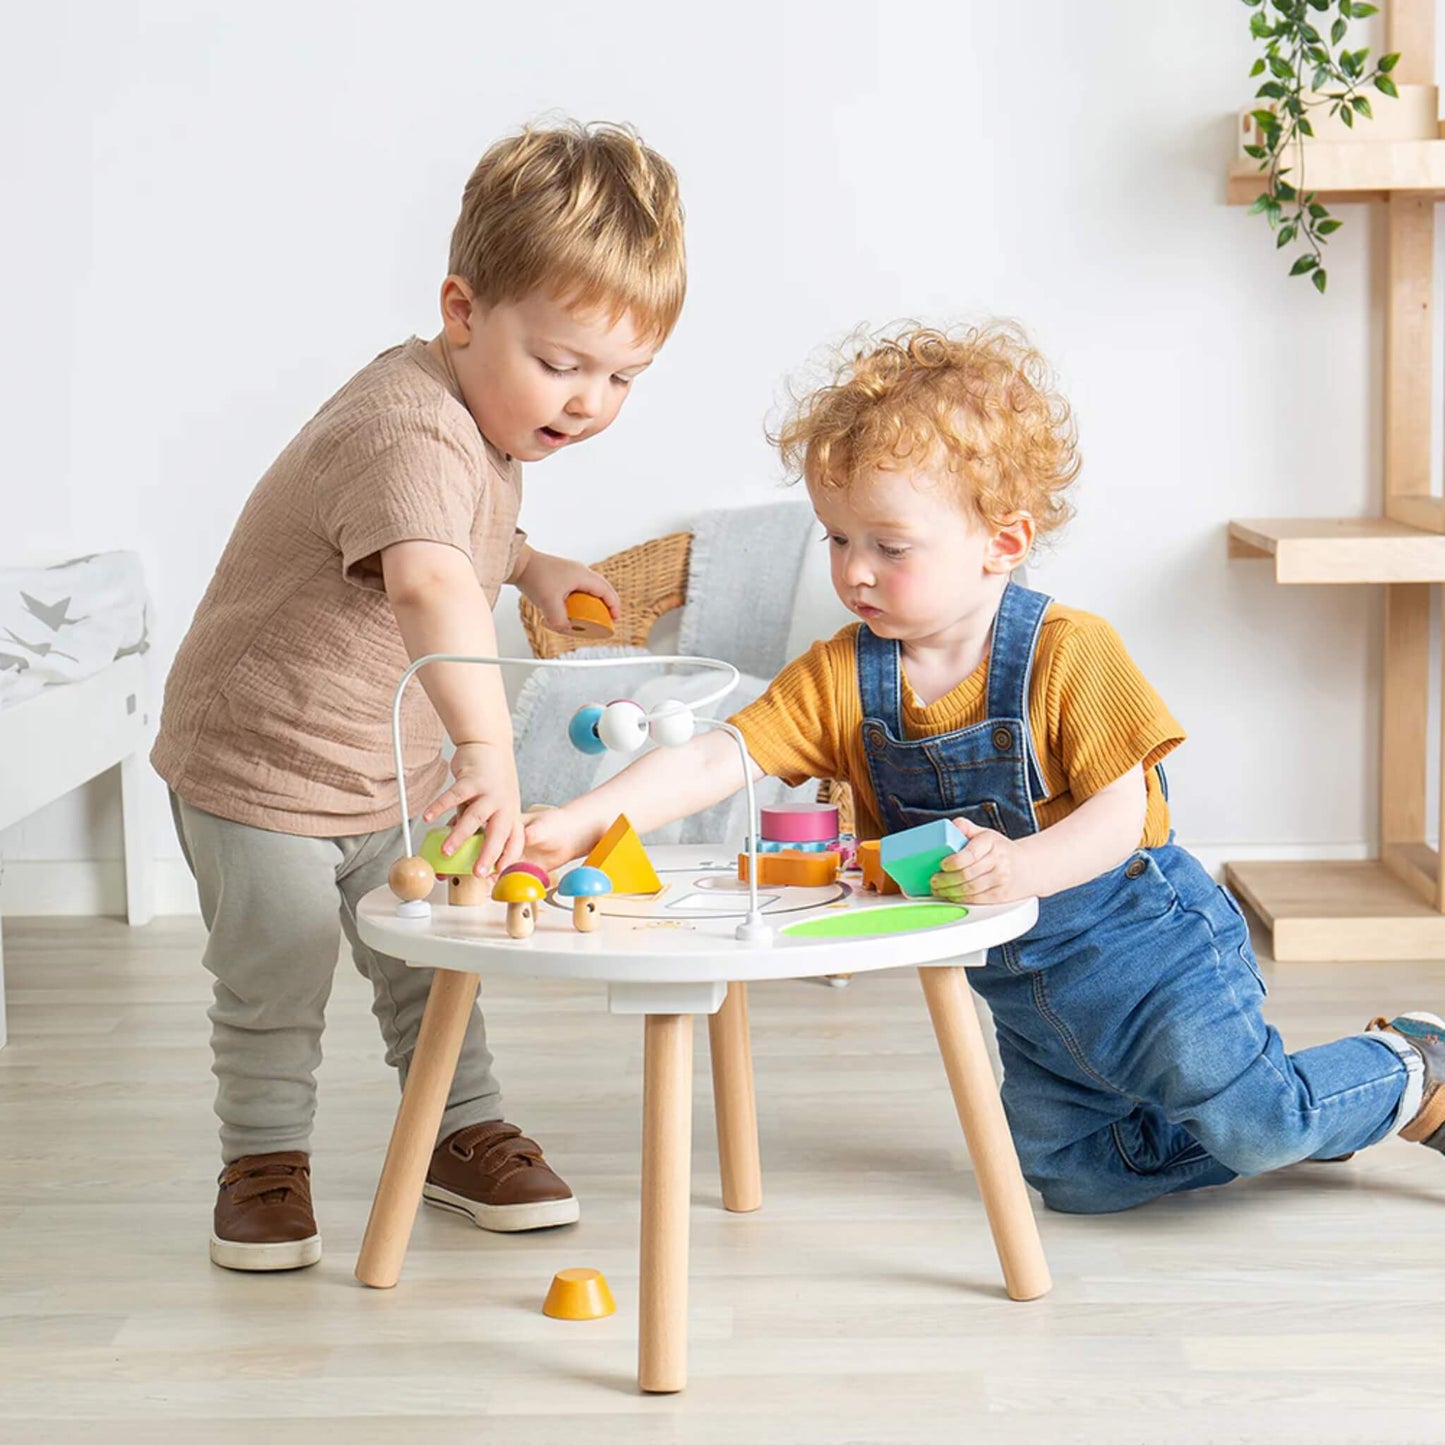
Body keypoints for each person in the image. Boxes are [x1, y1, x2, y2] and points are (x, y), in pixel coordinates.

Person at [524, 321, 1443, 1214]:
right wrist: (583, 818)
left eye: (890, 545)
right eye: (837, 539)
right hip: (1026, 993)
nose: (856, 572)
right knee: (1081, 1180)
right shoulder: (843, 673)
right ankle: (1271, 1112)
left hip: (1151, 953)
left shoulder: (1069, 650)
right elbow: (719, 754)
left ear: (1001, 542)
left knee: (1252, 1120)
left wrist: (1021, 868)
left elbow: (1122, 816)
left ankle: (1405, 1062)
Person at [153, 120, 686, 1268]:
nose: (588, 400)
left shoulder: (484, 421)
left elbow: (471, 534)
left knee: (430, 950)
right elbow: (432, 573)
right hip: (260, 764)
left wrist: (536, 564)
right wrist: (490, 758)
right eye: (561, 363)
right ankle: (261, 1156)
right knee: (279, 961)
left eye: (620, 377)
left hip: (382, 758)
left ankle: (458, 1125)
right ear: (461, 312)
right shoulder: (400, 421)